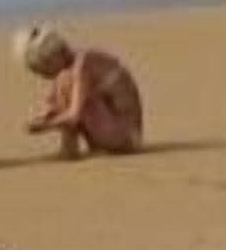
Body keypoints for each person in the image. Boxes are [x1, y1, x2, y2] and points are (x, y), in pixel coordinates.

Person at [14, 23, 144, 158]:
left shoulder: (82, 66)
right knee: (63, 85)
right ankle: (69, 148)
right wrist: (47, 114)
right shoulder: (73, 66)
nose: (44, 75)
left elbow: (73, 115)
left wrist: (45, 126)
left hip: (126, 137)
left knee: (68, 85)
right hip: (117, 131)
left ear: (52, 57)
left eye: (42, 69)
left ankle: (69, 150)